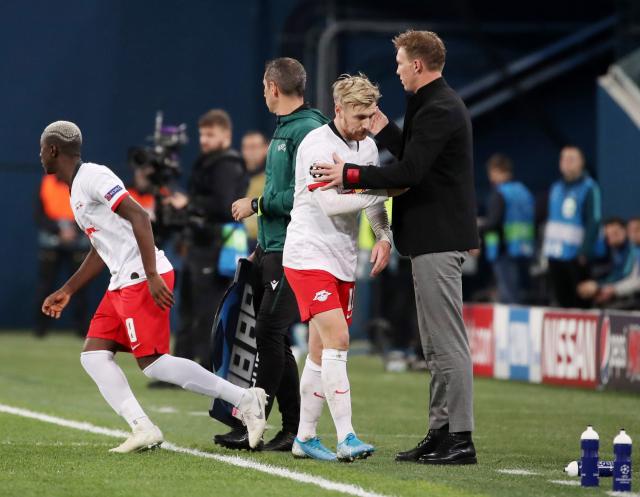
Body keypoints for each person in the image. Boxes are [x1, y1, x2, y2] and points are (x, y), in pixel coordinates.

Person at [39, 121, 266, 453]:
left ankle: (245, 399)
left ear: (54, 150)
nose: (40, 154)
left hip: (141, 277)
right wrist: (69, 289)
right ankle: (143, 428)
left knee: (155, 364)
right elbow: (101, 248)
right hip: (122, 280)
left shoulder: (93, 176)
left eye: (42, 148)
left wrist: (151, 274)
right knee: (94, 356)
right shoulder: (75, 189)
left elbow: (140, 217)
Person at [314, 30, 479, 465]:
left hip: (439, 240)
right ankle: (440, 431)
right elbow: (413, 153)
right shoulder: (432, 104)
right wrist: (385, 129)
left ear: (418, 65)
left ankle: (460, 438)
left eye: (402, 63)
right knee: (433, 343)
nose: (398, 69)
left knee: (447, 343)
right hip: (428, 240)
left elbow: (411, 171)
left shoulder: (440, 107)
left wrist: (349, 175)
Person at [284, 73, 392, 461]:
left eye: (370, 116)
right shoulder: (316, 145)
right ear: (339, 110)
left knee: (318, 352)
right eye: (359, 117)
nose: (365, 125)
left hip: (342, 258)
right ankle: (347, 437)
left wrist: (384, 236)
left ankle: (305, 438)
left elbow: (373, 206)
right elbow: (330, 204)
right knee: (339, 340)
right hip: (308, 255)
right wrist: (381, 187)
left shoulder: (368, 147)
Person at [226, 58, 330, 451]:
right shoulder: (287, 128)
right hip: (274, 247)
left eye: (263, 87)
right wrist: (260, 246)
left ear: (272, 87)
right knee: (275, 337)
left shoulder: (308, 130)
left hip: (296, 248)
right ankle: (291, 428)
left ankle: (253, 421)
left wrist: (256, 205)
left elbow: (308, 194)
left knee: (270, 330)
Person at [167, 110, 248, 370]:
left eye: (210, 134)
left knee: (206, 311)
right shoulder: (208, 161)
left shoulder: (226, 164)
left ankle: (203, 368)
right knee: (188, 309)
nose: (204, 139)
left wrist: (190, 203)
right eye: (202, 133)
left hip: (214, 247)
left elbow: (226, 206)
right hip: (200, 244)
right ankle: (180, 368)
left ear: (226, 135)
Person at [542, 146, 602, 308]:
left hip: (576, 257)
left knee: (580, 302)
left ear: (581, 162)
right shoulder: (556, 187)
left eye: (571, 159)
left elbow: (594, 220)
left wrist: (585, 251)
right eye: (563, 159)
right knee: (561, 301)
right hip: (555, 255)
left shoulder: (589, 187)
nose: (566, 163)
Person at [34, 173, 90, 337]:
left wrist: (74, 230)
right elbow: (38, 214)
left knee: (80, 287)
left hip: (77, 240)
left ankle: (82, 330)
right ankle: (40, 330)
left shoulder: (82, 184)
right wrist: (59, 230)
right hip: (51, 241)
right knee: (46, 286)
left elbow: (90, 211)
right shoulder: (46, 182)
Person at [479, 154, 534, 304]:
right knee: (522, 296)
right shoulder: (524, 192)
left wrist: (477, 230)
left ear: (497, 171)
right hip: (524, 250)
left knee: (509, 298)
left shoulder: (500, 193)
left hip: (503, 251)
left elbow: (494, 223)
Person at [577, 217, 638, 306]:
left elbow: (625, 274)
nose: (611, 238)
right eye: (608, 235)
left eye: (615, 233)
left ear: (625, 231)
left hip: (627, 295)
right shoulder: (608, 250)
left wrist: (600, 286)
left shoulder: (632, 250)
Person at [240, 131, 269, 250]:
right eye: (246, 147)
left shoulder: (272, 178)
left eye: (255, 147)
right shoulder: (236, 177)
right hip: (237, 243)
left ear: (266, 148)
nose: (251, 152)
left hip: (264, 243)